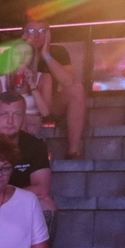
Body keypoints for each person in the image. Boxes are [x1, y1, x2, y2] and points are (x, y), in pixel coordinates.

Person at [23, 18, 85, 160]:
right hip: (22, 102)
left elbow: (68, 81)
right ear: (24, 33)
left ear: (48, 34)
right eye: (31, 31)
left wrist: (46, 54)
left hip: (48, 102)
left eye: (41, 31)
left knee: (77, 90)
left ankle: (73, 151)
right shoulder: (15, 52)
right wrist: (23, 49)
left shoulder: (57, 51)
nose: (36, 35)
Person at [0, 41, 50, 136]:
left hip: (34, 126)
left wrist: (32, 85)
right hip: (7, 126)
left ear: (33, 57)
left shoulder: (44, 78)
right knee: (18, 117)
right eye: (17, 54)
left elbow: (45, 113)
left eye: (27, 53)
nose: (22, 58)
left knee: (20, 118)